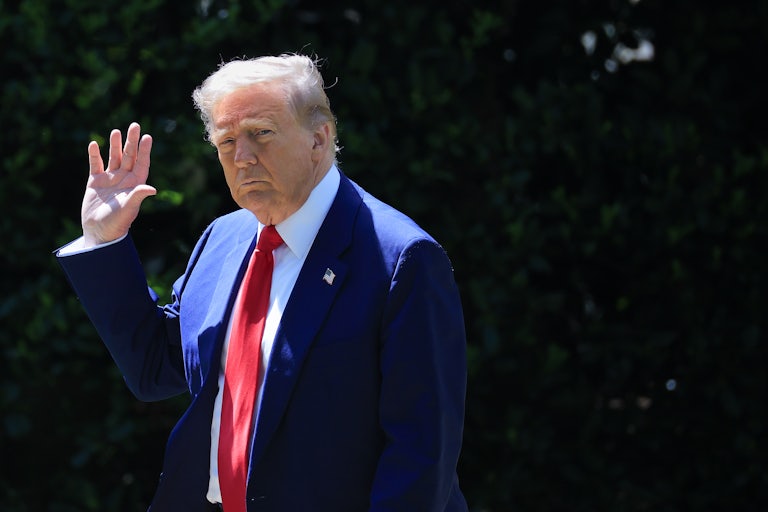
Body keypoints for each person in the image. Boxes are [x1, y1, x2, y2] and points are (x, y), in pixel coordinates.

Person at [56, 54, 468, 511]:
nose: (242, 156)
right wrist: (104, 240)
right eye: (226, 140)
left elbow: (421, 453)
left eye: (260, 133)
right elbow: (158, 366)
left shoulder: (401, 258)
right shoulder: (223, 237)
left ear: (319, 138)